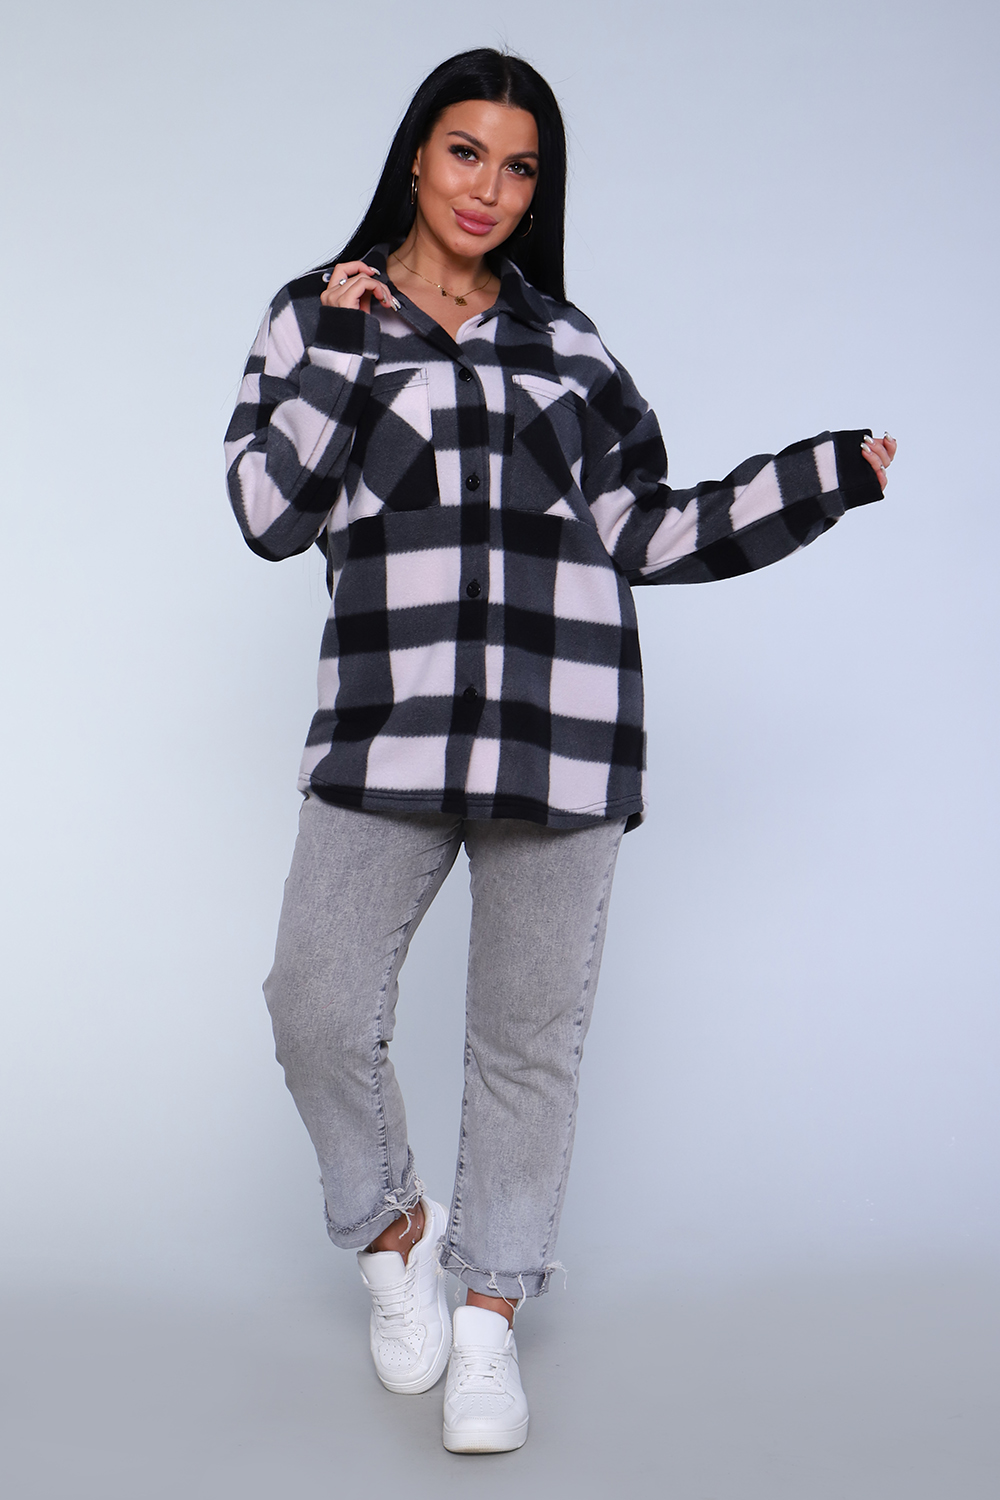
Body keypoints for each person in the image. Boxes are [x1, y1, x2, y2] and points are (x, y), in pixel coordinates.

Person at [224, 47, 895, 1455]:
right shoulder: (314, 314)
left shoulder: (571, 347)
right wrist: (345, 347)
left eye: (519, 167)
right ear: (418, 156)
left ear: (540, 191)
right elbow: (271, 516)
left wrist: (821, 478)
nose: (489, 188)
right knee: (313, 1006)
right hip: (385, 729)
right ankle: (394, 1228)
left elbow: (648, 529)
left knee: (527, 1046)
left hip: (564, 735)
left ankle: (488, 1320)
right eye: (466, 152)